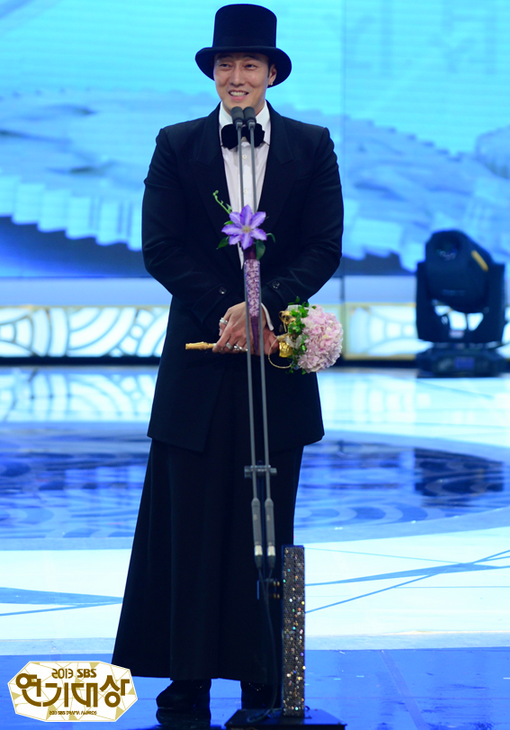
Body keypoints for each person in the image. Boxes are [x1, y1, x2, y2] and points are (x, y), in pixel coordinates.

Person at [112, 3, 343, 721]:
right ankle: (186, 678)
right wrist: (226, 306)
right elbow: (160, 246)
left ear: (271, 72)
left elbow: (323, 245)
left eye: (249, 64)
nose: (235, 76)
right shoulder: (177, 143)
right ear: (213, 73)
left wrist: (264, 305)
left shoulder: (312, 145)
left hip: (274, 361)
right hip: (199, 360)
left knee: (269, 527)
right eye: (224, 65)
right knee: (188, 521)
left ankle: (267, 678)